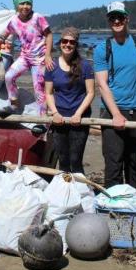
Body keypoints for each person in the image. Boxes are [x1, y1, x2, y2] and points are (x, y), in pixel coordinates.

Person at [93, 1, 136, 189]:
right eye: (113, 17)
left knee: (133, 161)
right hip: (112, 111)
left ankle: (133, 202)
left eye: (120, 17)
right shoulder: (101, 48)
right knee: (113, 163)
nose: (117, 21)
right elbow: (102, 85)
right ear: (108, 21)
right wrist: (116, 114)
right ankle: (113, 206)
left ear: (127, 18)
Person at [0, 0, 53, 115]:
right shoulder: (14, 21)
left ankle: (42, 120)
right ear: (16, 6)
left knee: (38, 89)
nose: (25, 6)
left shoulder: (37, 17)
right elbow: (4, 34)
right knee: (9, 77)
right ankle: (14, 105)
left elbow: (49, 35)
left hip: (39, 59)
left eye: (28, 3)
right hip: (25, 57)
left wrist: (48, 56)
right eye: (22, 3)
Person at [45, 27, 95, 174]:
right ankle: (65, 193)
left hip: (79, 118)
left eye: (71, 42)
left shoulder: (85, 65)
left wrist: (78, 114)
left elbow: (91, 92)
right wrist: (54, 113)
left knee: (75, 160)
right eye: (64, 41)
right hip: (59, 118)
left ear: (76, 44)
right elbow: (48, 93)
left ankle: (80, 192)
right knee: (63, 160)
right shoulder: (51, 66)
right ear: (60, 43)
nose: (67, 44)